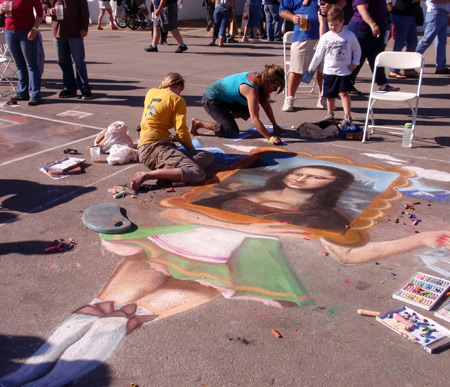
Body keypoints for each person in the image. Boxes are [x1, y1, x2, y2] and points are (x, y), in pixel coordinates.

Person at [194, 165, 354, 232]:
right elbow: (194, 209)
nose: (301, 179)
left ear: (335, 183)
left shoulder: (324, 215)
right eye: (297, 174)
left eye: (315, 177)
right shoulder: (247, 191)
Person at [130, 73, 214, 192]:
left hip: (145, 147)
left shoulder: (151, 92)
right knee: (198, 173)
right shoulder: (177, 100)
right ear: (180, 87)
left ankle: (168, 174)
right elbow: (181, 132)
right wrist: (191, 149)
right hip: (156, 148)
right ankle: (146, 175)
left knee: (207, 156)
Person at [190, 64, 285, 145]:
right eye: (275, 87)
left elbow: (266, 105)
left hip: (225, 100)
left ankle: (225, 119)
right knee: (231, 131)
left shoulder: (261, 79)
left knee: (251, 109)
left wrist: (275, 126)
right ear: (268, 80)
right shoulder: (251, 89)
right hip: (211, 100)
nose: (275, 90)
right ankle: (199, 124)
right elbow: (255, 120)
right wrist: (270, 138)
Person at [279, 0, 344, 112]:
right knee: (297, 69)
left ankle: (323, 98)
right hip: (303, 35)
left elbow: (342, 2)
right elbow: (282, 10)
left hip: (328, 36)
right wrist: (293, 17)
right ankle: (290, 98)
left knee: (324, 70)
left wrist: (332, 6)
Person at [308, 6, 361, 126]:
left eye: (336, 25)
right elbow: (318, 54)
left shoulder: (349, 35)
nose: (333, 27)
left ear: (342, 22)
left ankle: (347, 116)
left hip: (344, 71)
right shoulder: (326, 37)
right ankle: (330, 114)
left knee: (344, 93)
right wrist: (312, 66)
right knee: (329, 94)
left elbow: (357, 50)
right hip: (329, 71)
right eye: (331, 24)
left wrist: (355, 64)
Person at [42, 0, 93, 100]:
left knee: (78, 62)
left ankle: (85, 89)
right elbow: (42, 4)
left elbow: (84, 9)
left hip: (75, 31)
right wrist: (48, 11)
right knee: (63, 61)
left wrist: (84, 27)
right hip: (58, 31)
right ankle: (69, 88)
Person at [347, 0, 400, 94]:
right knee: (357, 58)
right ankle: (347, 84)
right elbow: (362, 10)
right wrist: (373, 25)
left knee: (377, 57)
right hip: (362, 29)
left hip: (377, 30)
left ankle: (382, 83)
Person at [0, 0, 43, 106]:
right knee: (19, 64)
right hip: (9, 31)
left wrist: (34, 29)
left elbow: (40, 12)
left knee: (31, 65)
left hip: (26, 31)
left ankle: (34, 95)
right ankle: (22, 92)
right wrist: (0, 9)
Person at [388, 0, 421, 78]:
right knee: (399, 43)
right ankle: (393, 70)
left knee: (413, 42)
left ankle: (408, 68)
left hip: (410, 15)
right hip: (401, 15)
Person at [416, 0, 450, 75]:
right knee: (427, 39)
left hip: (443, 12)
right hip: (435, 12)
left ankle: (441, 67)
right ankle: (409, 60)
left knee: (441, 42)